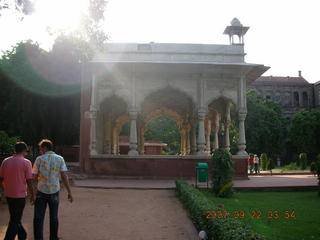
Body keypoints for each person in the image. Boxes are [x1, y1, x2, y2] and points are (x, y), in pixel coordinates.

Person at [32, 139, 73, 240]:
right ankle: (53, 237)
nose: (40, 150)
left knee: (38, 217)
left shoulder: (39, 159)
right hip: (54, 191)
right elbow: (64, 176)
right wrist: (69, 192)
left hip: (41, 191)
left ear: (45, 147)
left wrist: (33, 192)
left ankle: (38, 238)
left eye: (40, 148)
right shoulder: (60, 159)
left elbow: (34, 176)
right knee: (54, 216)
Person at [0, 141, 34, 240]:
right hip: (20, 195)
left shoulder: (6, 161)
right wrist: (32, 194)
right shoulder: (26, 162)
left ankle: (22, 235)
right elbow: (29, 180)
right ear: (24, 150)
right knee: (15, 219)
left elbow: (1, 179)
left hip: (9, 194)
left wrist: (4, 189)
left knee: (15, 218)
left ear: (14, 150)